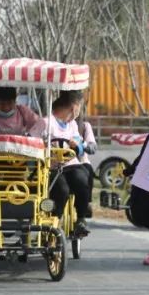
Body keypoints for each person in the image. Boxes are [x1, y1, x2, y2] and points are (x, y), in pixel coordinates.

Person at [28, 91, 92, 235]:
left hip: (70, 164)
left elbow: (81, 147)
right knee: (61, 189)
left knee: (82, 179)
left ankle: (81, 218)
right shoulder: (45, 123)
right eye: (79, 107)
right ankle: (55, 220)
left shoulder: (72, 125)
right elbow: (30, 141)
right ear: (74, 107)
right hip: (50, 167)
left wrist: (77, 145)